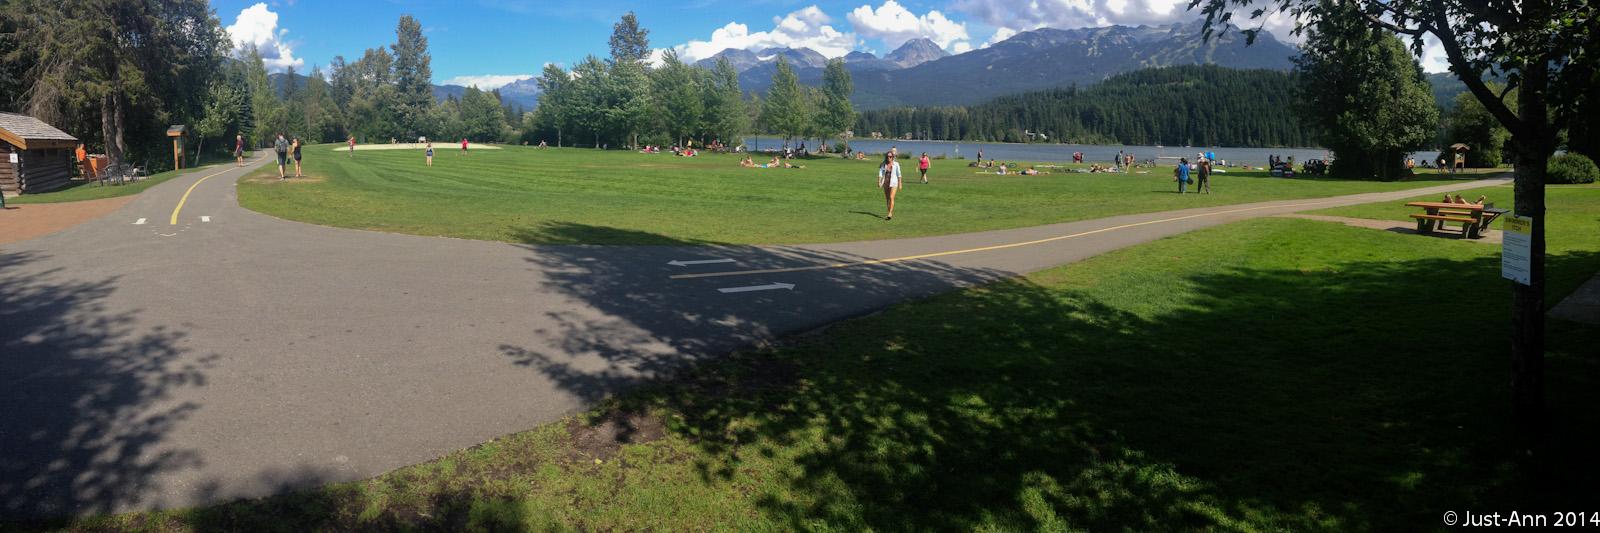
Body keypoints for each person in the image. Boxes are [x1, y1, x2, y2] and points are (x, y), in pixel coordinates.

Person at [878, 154, 902, 220]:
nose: (889, 158)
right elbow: (880, 173)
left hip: (894, 183)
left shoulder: (896, 164)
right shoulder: (883, 164)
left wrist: (900, 184)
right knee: (887, 198)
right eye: (888, 156)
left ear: (893, 157)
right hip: (885, 182)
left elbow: (899, 174)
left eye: (890, 156)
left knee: (891, 197)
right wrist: (879, 182)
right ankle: (889, 212)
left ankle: (890, 213)